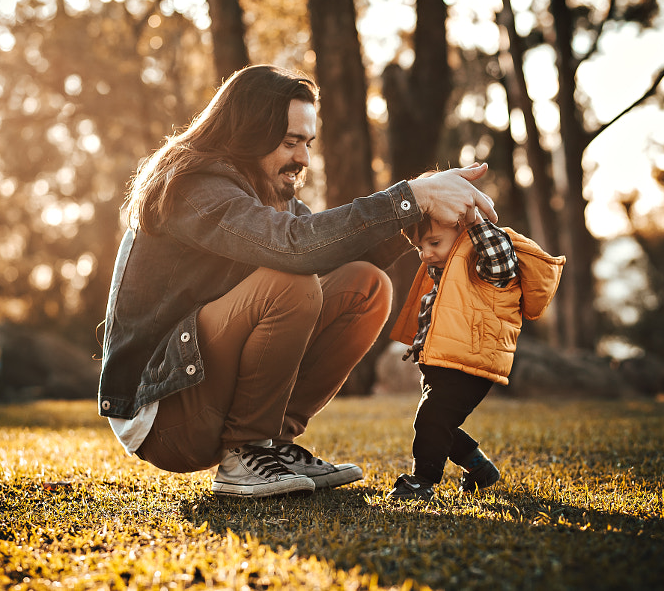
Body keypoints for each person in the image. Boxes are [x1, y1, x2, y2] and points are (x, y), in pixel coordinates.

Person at [99, 64, 498, 499]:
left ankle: (273, 446)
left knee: (367, 285)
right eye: (291, 142)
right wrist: (407, 196)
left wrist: (418, 214)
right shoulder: (195, 185)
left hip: (201, 389)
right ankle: (247, 451)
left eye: (307, 143)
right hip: (163, 412)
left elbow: (342, 253)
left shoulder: (265, 195)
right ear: (247, 131)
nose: (303, 159)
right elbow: (296, 248)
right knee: (293, 283)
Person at [387, 206, 565, 500]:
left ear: (462, 230)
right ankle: (480, 469)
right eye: (420, 247)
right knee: (439, 423)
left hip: (468, 364)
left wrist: (475, 221)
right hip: (442, 365)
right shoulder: (445, 267)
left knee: (432, 419)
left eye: (433, 243)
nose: (425, 253)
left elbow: (500, 262)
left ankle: (423, 480)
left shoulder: (480, 259)